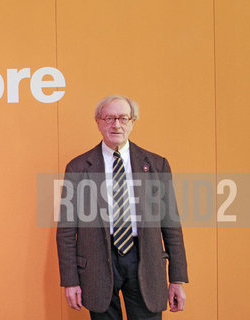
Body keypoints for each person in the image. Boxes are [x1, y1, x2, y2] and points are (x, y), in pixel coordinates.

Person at [56, 95, 188, 320]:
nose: (116, 124)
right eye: (109, 118)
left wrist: (177, 278)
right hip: (97, 263)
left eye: (123, 118)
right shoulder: (78, 167)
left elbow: (171, 224)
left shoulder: (157, 165)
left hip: (145, 261)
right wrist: (70, 280)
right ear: (98, 122)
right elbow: (67, 229)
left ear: (132, 122)